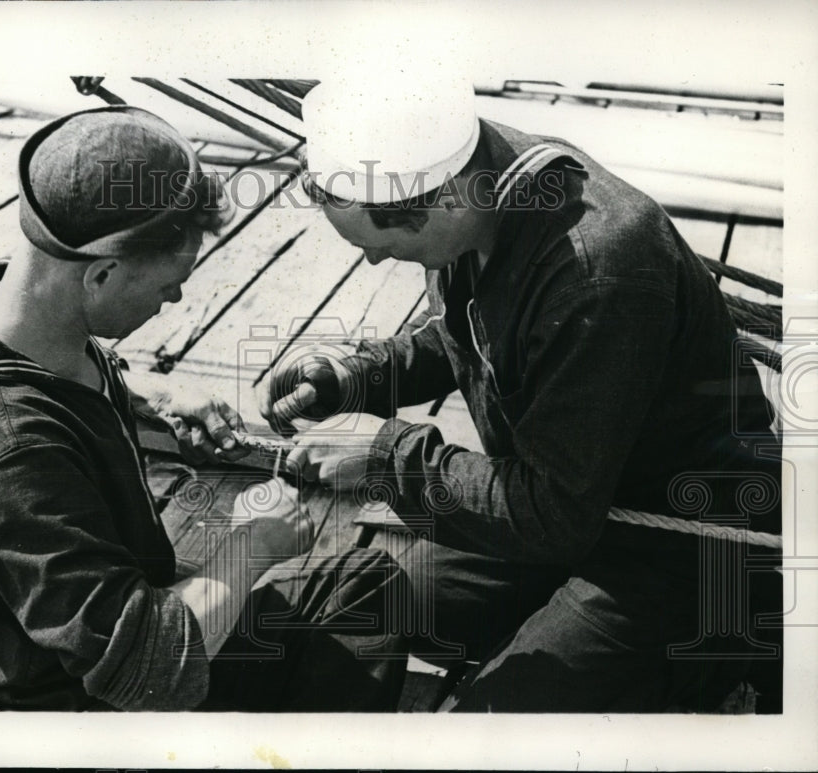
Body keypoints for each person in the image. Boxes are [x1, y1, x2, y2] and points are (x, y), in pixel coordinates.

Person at [262, 79, 783, 712]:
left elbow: (551, 512)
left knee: (495, 730)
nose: (373, 262)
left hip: (679, 545)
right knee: (368, 599)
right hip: (568, 507)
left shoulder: (596, 270)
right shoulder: (484, 180)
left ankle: (725, 641)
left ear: (436, 205)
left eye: (382, 247)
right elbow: (469, 333)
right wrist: (354, 378)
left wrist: (381, 456)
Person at [0, 105, 409, 711]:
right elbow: (151, 674)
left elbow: (48, 391)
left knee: (366, 587)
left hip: (91, 624)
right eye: (169, 284)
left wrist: (142, 397)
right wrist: (251, 546)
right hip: (70, 704)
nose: (178, 296)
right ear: (103, 274)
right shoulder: (11, 453)